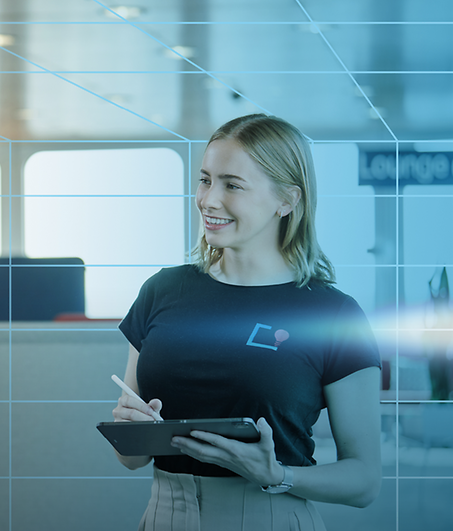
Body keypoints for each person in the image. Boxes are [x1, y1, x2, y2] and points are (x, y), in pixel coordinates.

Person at [112, 114, 382, 530]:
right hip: (164, 512)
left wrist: (278, 475)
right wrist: (130, 429)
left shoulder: (333, 313)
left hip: (270, 513)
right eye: (205, 180)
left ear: (287, 200)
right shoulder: (162, 291)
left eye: (232, 185)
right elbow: (131, 458)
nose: (208, 199)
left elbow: (364, 482)